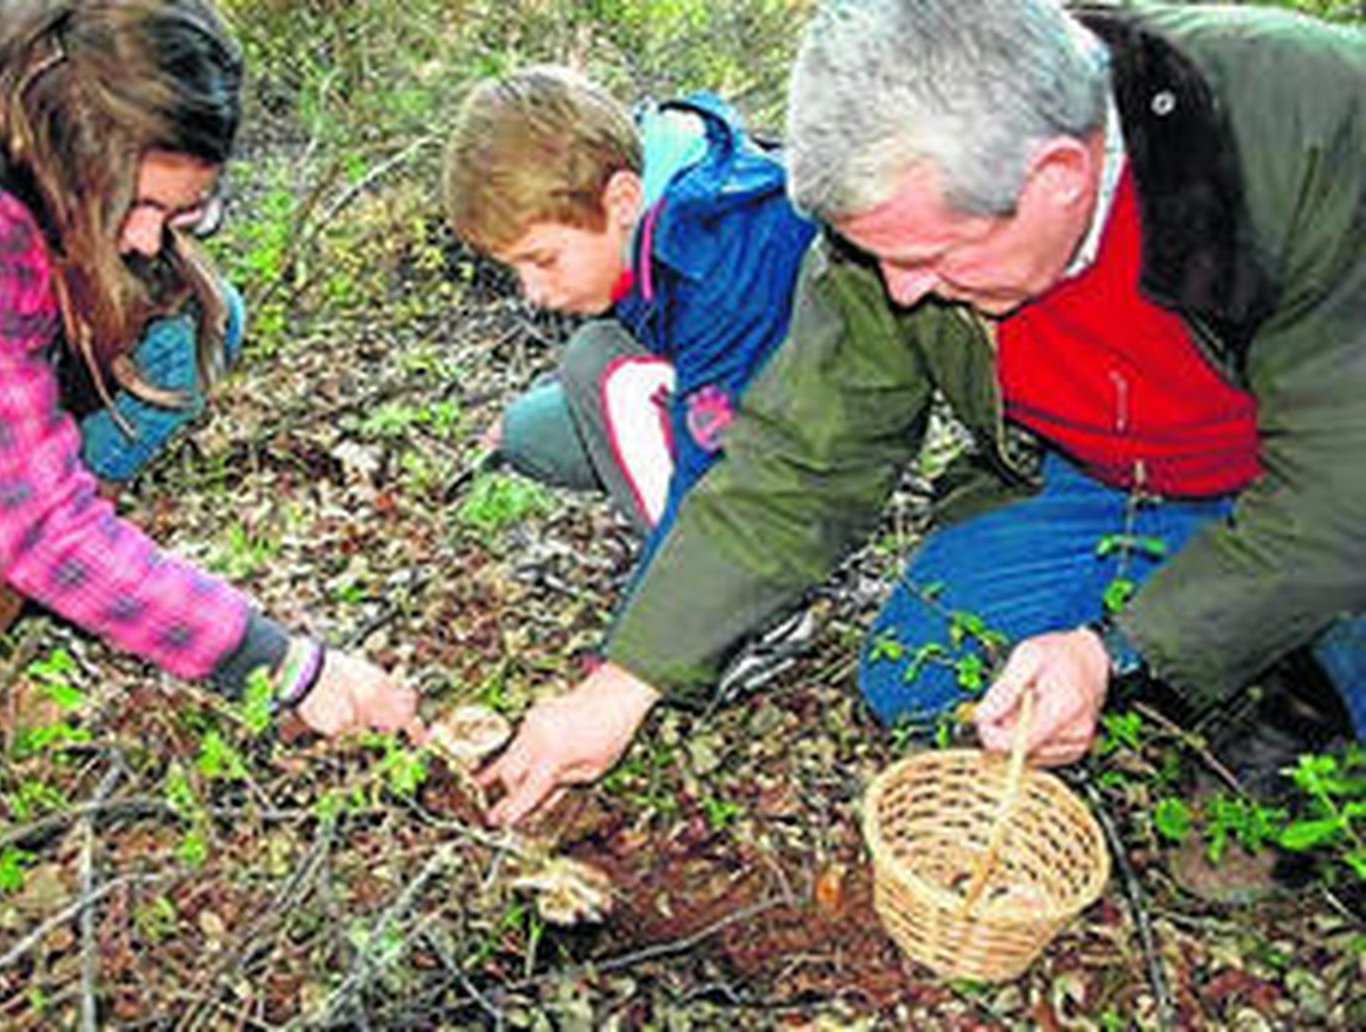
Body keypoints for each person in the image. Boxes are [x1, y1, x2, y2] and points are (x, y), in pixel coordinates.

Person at [479, 0, 1366, 827]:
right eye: (880, 258)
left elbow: (1337, 494)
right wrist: (621, 685)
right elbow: (802, 460)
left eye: (931, 256)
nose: (900, 293)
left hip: (1316, 477)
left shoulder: (1306, 133)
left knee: (1329, 580)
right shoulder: (891, 232)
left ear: (1057, 175)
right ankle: (1237, 632)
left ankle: (1305, 688)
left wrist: (1116, 651)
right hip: (1108, 479)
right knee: (919, 673)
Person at [0, 0, 421, 742]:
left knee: (192, 322)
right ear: (71, 145)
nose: (145, 240)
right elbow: (42, 521)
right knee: (49, 491)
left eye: (183, 210)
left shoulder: (1, 48)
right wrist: (289, 667)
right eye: (135, 205)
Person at [443, 68, 817, 819]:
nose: (533, 294)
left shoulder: (724, 256)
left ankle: (760, 620)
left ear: (619, 199)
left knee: (595, 367)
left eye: (541, 260)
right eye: (513, 268)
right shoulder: (653, 193)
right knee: (531, 431)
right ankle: (696, 589)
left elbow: (720, 472)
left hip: (798, 433)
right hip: (711, 378)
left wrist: (626, 665)